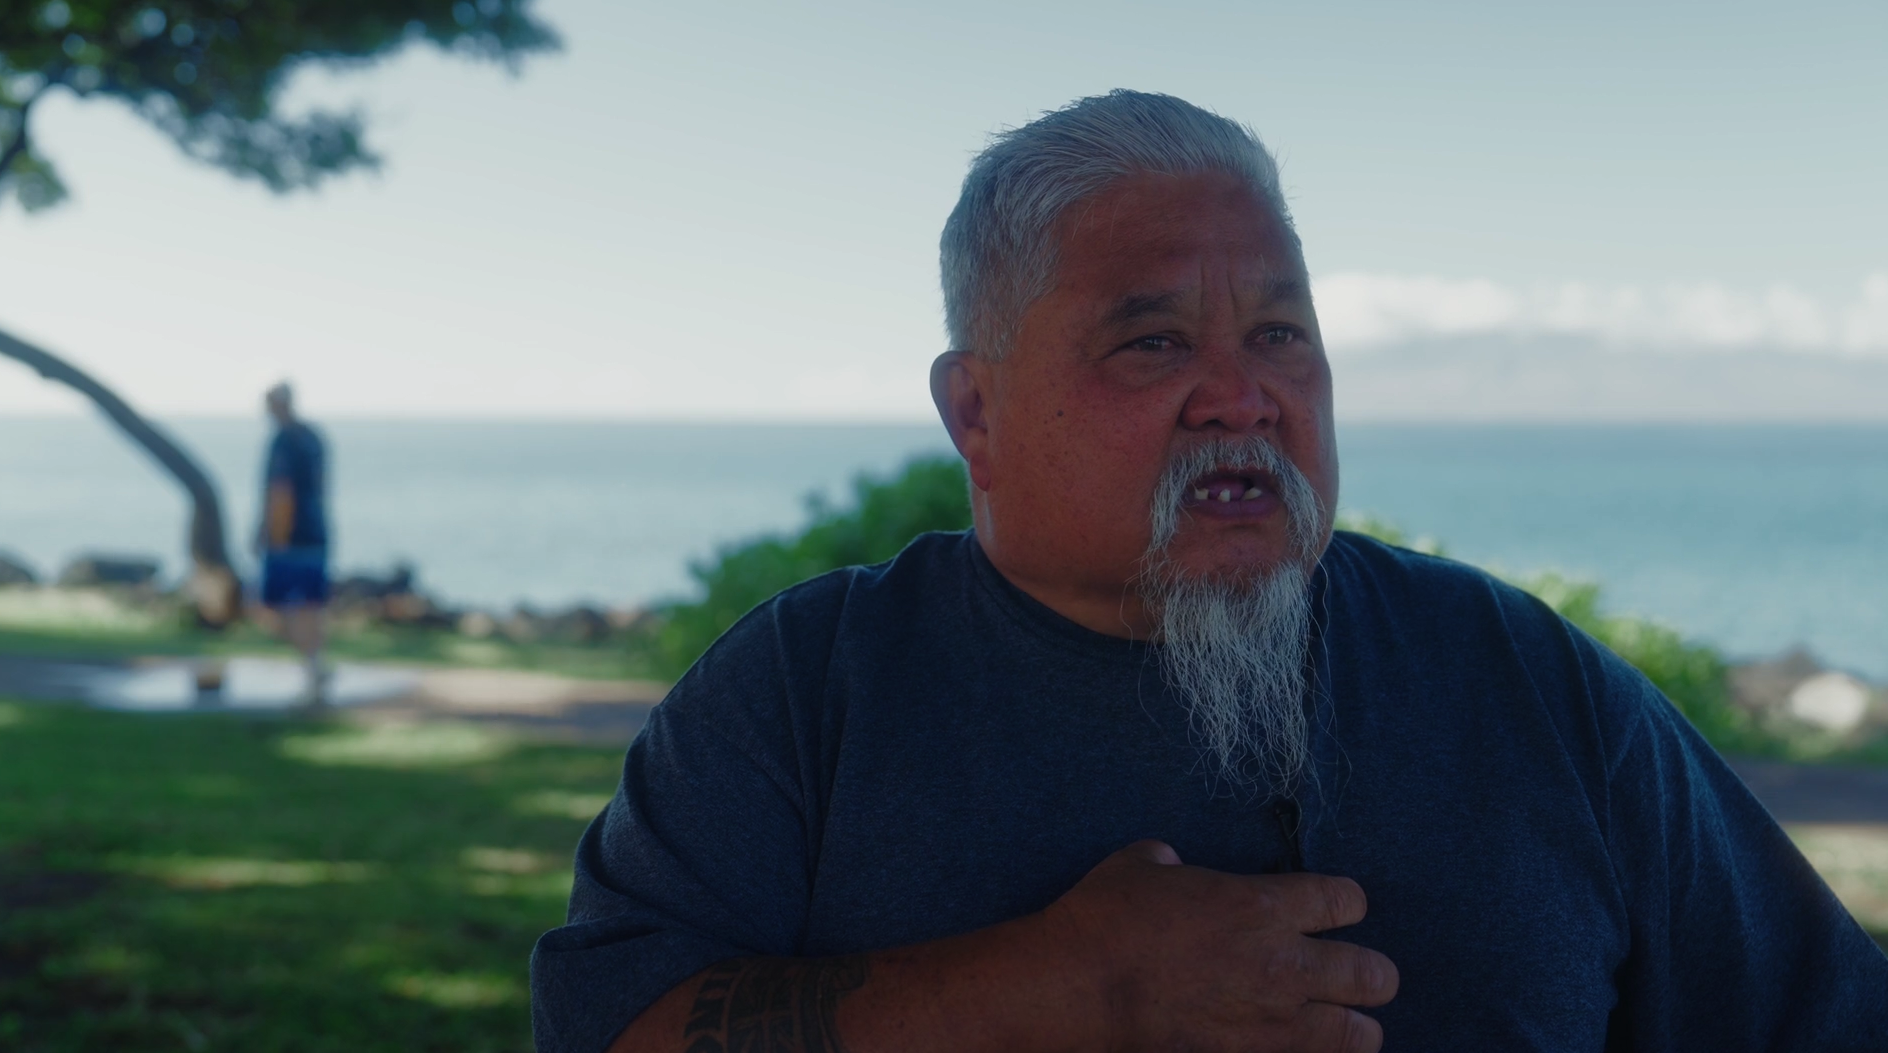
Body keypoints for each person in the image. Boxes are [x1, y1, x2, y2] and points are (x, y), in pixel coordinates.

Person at [532, 92, 1888, 1052]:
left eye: (1282, 332)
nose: (1241, 397)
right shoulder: (805, 690)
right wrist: (1050, 991)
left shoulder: (1525, 683)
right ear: (978, 418)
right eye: (1153, 343)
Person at [256, 382, 331, 705]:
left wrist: (273, 536)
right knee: (309, 607)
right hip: (317, 532)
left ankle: (313, 666)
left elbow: (281, 492)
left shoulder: (284, 441)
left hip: (289, 538)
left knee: (280, 607)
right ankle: (315, 665)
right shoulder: (313, 437)